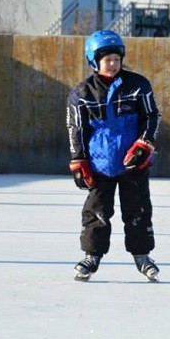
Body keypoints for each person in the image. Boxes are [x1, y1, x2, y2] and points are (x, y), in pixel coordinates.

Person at [66, 30, 161, 282]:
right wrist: (79, 160)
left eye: (117, 59)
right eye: (107, 59)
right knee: (96, 212)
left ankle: (142, 256)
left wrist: (144, 144)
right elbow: (75, 129)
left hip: (133, 164)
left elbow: (152, 117)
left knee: (138, 211)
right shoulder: (81, 94)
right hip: (99, 165)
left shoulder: (138, 85)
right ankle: (91, 256)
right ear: (94, 61)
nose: (113, 64)